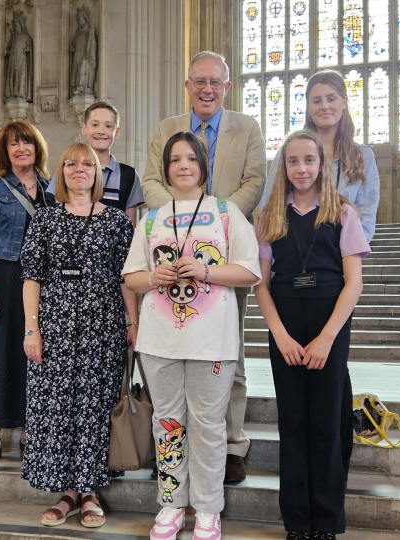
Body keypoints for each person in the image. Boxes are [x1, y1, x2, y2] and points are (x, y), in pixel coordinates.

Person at [124, 132, 261, 540]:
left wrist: (205, 271)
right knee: (168, 422)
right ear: (165, 169)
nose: (183, 165)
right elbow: (130, 277)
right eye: (174, 160)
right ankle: (170, 504)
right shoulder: (152, 217)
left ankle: (207, 509)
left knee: (207, 424)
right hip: (159, 339)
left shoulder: (226, 213)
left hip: (211, 340)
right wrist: (153, 277)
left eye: (191, 159)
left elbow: (250, 271)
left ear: (203, 166)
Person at [141, 51, 267, 485]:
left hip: (225, 257)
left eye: (216, 81)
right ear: (188, 84)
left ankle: (231, 444)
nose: (207, 88)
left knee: (228, 350)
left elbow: (255, 180)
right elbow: (151, 181)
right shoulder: (166, 130)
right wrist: (180, 222)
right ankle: (176, 448)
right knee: (172, 347)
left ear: (227, 86)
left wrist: (217, 218)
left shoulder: (246, 127)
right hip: (170, 255)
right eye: (200, 81)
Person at [260, 69, 380, 479]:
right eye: (316, 99)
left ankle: (333, 470)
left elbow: (365, 219)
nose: (324, 105)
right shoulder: (290, 153)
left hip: (336, 271)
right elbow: (272, 209)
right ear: (308, 107)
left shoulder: (361, 157)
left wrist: (337, 238)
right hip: (292, 276)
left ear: (344, 103)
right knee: (313, 388)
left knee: (333, 374)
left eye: (331, 98)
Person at [254, 130, 368, 540]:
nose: (301, 169)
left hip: (328, 322)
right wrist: (280, 335)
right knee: (293, 424)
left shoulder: (343, 213)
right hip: (285, 324)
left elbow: (353, 283)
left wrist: (326, 340)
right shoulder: (269, 215)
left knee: (326, 424)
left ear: (322, 164)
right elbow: (261, 285)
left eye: (309, 160)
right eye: (292, 161)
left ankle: (326, 522)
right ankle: (297, 524)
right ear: (283, 168)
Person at [20, 142, 135, 528]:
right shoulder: (45, 220)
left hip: (102, 328)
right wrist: (31, 328)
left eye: (88, 164)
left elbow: (127, 280)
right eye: (71, 163)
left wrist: (132, 325)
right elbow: (32, 277)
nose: (80, 169)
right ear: (62, 172)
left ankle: (89, 491)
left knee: (95, 406)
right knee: (57, 406)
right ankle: (67, 490)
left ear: (98, 173)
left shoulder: (117, 221)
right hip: (54, 328)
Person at [0, 120, 54, 468]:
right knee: (3, 353)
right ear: (5, 151)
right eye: (14, 144)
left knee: (35, 354)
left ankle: (28, 432)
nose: (21, 149)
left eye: (27, 143)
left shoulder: (52, 189)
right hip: (5, 273)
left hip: (43, 280)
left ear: (37, 148)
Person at [48, 101, 145, 223]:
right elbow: (56, 215)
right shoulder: (68, 169)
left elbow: (130, 228)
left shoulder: (128, 176)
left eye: (108, 126)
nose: (101, 131)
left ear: (117, 132)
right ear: (84, 128)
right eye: (95, 125)